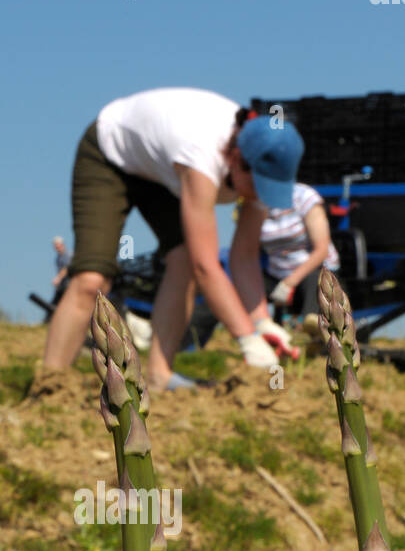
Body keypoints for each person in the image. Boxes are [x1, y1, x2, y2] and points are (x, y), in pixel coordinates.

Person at [41, 89, 305, 390]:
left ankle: (158, 376)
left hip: (162, 171)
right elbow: (206, 266)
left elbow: (244, 256)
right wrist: (246, 338)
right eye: (258, 186)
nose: (259, 196)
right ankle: (49, 385)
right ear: (236, 158)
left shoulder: (261, 165)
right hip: (109, 155)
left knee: (184, 262)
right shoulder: (202, 156)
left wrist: (261, 322)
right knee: (92, 279)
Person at [260, 182, 340, 325]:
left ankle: (311, 324)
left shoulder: (304, 196)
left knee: (316, 280)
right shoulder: (254, 202)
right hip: (276, 273)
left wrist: (288, 283)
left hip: (313, 270)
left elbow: (322, 250)